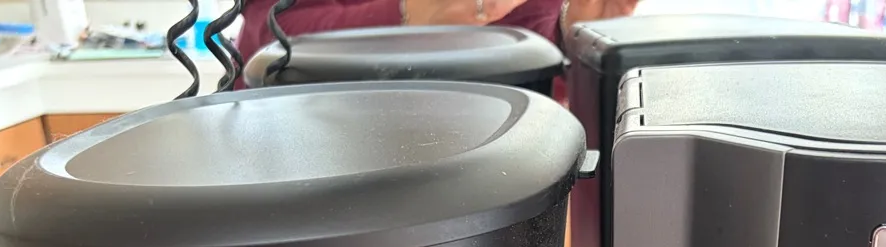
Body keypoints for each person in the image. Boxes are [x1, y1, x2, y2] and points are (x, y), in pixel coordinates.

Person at [236, 0, 636, 65]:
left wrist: (574, 33)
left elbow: (532, 30)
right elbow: (265, 35)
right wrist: (408, 14)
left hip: (473, 153)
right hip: (307, 155)